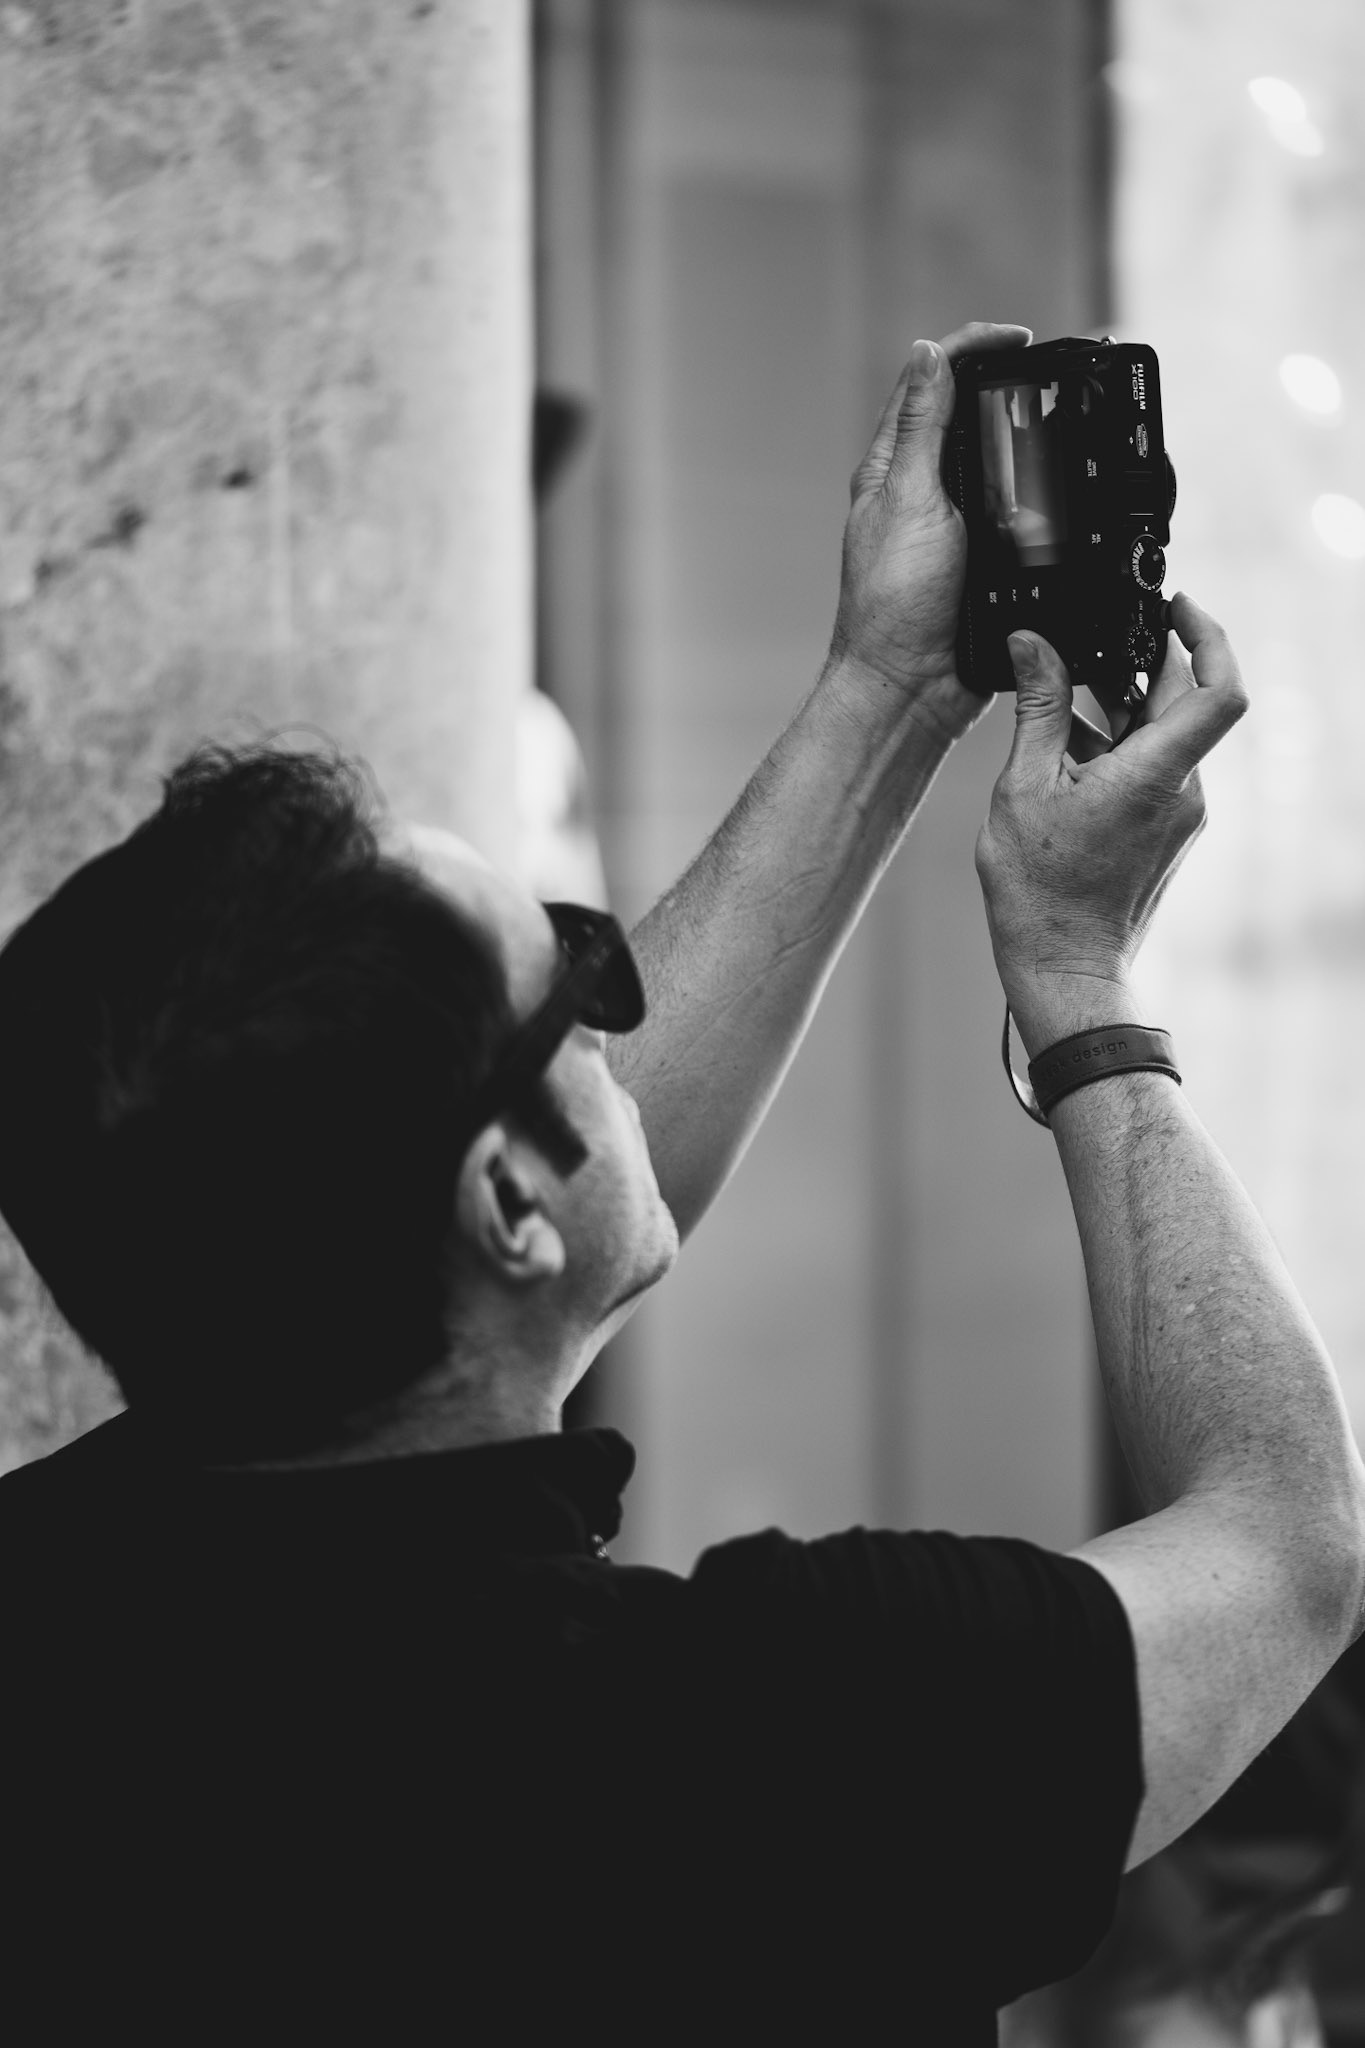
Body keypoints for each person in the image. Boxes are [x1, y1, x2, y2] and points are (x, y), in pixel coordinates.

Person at [0, 322, 1359, 2045]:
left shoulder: (55, 1619)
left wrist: (883, 692)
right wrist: (1080, 990)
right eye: (573, 977)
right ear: (503, 1207)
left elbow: (546, 1154)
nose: (618, 991)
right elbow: (1289, 1542)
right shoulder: (763, 1735)